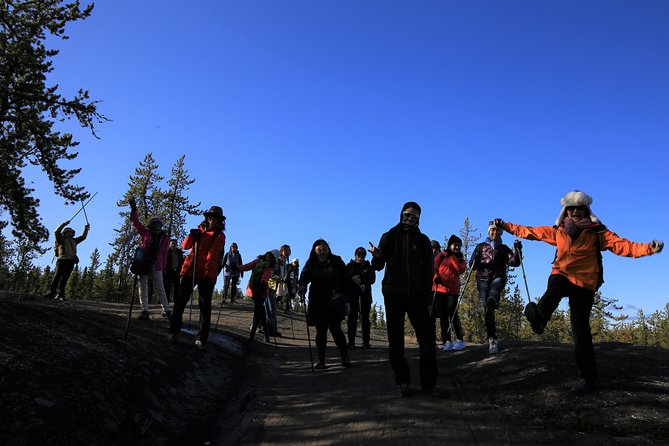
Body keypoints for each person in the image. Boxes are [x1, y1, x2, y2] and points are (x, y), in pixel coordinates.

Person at [496, 190, 664, 392]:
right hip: (563, 274)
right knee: (555, 284)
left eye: (580, 209)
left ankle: (589, 378)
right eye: (571, 208)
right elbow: (530, 231)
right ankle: (540, 318)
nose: (575, 212)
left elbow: (624, 246)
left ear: (586, 210)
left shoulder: (598, 233)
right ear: (566, 211)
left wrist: (648, 248)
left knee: (580, 330)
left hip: (585, 283)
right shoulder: (558, 231)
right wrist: (505, 226)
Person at [369, 202, 445, 397]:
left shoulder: (423, 240)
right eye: (406, 214)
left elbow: (429, 270)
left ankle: (429, 384)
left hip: (418, 296)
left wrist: (428, 295)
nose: (409, 218)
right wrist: (377, 257)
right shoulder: (389, 236)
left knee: (427, 341)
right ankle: (403, 382)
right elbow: (377, 266)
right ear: (401, 214)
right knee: (396, 341)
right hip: (393, 294)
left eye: (413, 216)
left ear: (419, 219)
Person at [167, 206, 226, 350]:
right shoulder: (198, 230)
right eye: (210, 217)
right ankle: (174, 332)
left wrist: (207, 275)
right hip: (190, 270)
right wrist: (191, 235)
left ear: (219, 220)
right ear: (207, 217)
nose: (212, 219)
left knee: (204, 306)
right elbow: (185, 245)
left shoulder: (219, 235)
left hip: (206, 274)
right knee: (180, 301)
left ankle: (201, 338)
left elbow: (212, 256)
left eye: (215, 217)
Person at [298, 239, 351, 369]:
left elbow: (346, 279)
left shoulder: (337, 261)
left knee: (336, 330)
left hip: (335, 300)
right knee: (320, 331)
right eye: (318, 245)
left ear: (328, 248)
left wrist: (345, 298)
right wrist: (302, 286)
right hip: (317, 301)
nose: (322, 247)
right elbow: (304, 277)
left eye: (324, 245)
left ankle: (345, 357)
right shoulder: (311, 263)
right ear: (314, 249)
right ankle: (321, 360)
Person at [470, 220, 521, 355]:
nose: (495, 232)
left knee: (495, 289)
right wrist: (475, 258)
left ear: (501, 232)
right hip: (482, 279)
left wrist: (517, 250)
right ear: (489, 231)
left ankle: (493, 299)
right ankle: (492, 339)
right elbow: (472, 265)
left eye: (498, 230)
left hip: (498, 276)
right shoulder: (480, 247)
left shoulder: (504, 248)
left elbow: (514, 263)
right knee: (488, 311)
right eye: (492, 230)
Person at [129, 199, 172, 320]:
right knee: (143, 286)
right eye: (155, 223)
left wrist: (163, 268)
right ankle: (145, 310)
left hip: (157, 264)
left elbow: (164, 254)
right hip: (143, 263)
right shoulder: (145, 233)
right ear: (151, 225)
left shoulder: (165, 238)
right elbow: (136, 222)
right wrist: (134, 210)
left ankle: (166, 310)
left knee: (160, 287)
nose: (157, 225)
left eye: (158, 223)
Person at [236, 250, 280, 343]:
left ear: (273, 260)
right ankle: (265, 336)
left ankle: (253, 336)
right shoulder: (257, 261)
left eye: (271, 257)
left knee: (258, 312)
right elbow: (246, 266)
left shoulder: (270, 268)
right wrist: (236, 267)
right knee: (261, 312)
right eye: (268, 254)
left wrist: (264, 283)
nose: (269, 257)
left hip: (261, 292)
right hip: (253, 289)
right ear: (266, 254)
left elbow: (266, 276)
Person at [433, 235, 467, 352]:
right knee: (443, 315)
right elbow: (435, 268)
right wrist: (436, 277)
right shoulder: (440, 256)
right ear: (450, 245)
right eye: (454, 244)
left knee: (453, 314)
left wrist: (452, 256)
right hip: (440, 289)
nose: (457, 247)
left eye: (458, 245)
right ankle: (446, 341)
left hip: (452, 291)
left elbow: (459, 269)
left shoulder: (461, 260)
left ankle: (459, 339)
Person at [45, 220, 90, 301]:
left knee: (64, 278)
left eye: (70, 232)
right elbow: (56, 232)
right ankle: (51, 293)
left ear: (72, 234)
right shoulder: (61, 240)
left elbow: (83, 237)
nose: (69, 233)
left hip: (70, 261)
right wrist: (64, 224)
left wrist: (86, 229)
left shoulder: (74, 241)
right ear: (64, 233)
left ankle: (60, 295)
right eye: (67, 232)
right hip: (61, 260)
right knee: (57, 277)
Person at [346, 246, 376, 349]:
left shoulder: (368, 266)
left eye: (363, 254)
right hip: (352, 295)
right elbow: (344, 278)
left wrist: (360, 278)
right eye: (359, 253)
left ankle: (366, 341)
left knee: (365, 319)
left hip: (365, 295)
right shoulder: (349, 266)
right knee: (352, 318)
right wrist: (352, 279)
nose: (361, 255)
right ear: (355, 254)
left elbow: (372, 279)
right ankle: (351, 341)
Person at [163, 239, 184, 303]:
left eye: (174, 244)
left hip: (177, 272)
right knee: (167, 288)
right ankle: (166, 302)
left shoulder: (179, 253)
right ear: (169, 244)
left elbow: (182, 262)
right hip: (168, 272)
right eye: (172, 243)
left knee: (177, 288)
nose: (173, 245)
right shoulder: (166, 252)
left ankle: (176, 302)